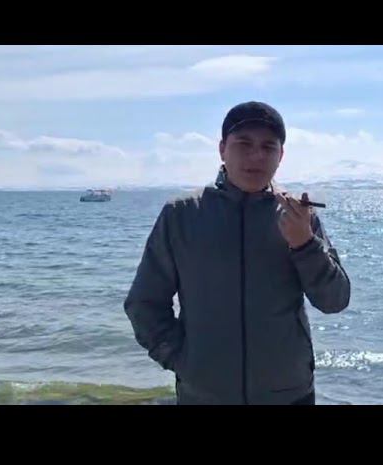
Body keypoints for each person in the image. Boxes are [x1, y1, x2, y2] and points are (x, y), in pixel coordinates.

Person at [124, 101, 350, 405]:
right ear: (222, 149)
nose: (256, 156)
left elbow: (335, 300)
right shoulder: (182, 214)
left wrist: (305, 244)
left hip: (289, 394)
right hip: (204, 396)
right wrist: (182, 360)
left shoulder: (297, 215)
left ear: (281, 156)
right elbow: (144, 303)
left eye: (268, 147)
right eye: (244, 144)